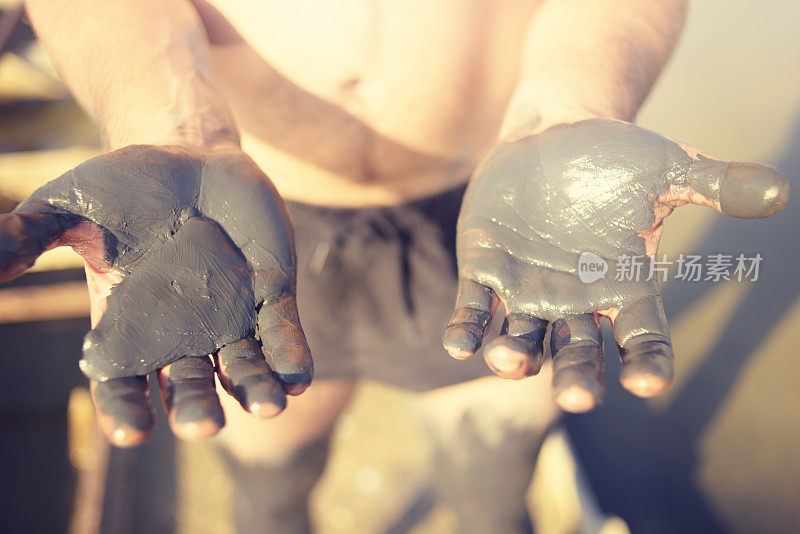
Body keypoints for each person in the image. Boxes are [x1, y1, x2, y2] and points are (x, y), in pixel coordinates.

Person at [0, 1, 787, 533]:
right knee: (269, 476)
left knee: (490, 476)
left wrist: (572, 103)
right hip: (235, 220)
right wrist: (166, 126)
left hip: (503, 210)